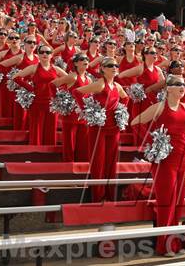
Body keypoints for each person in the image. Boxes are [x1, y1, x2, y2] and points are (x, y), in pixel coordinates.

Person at [131, 74, 185, 257]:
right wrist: (155, 140)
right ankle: (163, 245)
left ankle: (173, 243)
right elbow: (135, 123)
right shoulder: (159, 107)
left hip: (184, 161)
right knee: (166, 203)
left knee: (177, 204)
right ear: (168, 88)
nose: (182, 87)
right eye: (177, 84)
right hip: (165, 162)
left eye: (183, 84)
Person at [73, 57, 129, 202]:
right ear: (102, 69)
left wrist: (120, 112)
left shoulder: (117, 86)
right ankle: (98, 197)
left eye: (116, 65)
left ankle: (110, 196)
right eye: (110, 65)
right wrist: (87, 111)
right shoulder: (99, 84)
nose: (114, 67)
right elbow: (77, 92)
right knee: (98, 163)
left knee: (111, 164)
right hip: (98, 129)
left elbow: (126, 98)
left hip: (114, 129)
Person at [13, 45, 67, 144]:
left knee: (50, 129)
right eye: (42, 52)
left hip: (52, 104)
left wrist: (59, 90)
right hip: (37, 103)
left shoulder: (56, 69)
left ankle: (49, 154)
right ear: (38, 54)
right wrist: (30, 88)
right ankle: (35, 154)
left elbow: (70, 80)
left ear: (51, 55)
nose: (44, 54)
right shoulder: (33, 68)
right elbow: (16, 77)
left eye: (47, 52)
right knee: (36, 130)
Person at [118, 46, 165, 145]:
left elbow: (162, 84)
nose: (155, 55)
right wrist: (134, 89)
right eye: (152, 53)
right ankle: (139, 153)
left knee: (152, 125)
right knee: (141, 125)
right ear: (145, 55)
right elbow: (121, 75)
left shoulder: (158, 69)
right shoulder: (140, 68)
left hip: (153, 102)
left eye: (156, 53)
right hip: (141, 102)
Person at [51, 53, 92, 162]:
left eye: (87, 59)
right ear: (76, 63)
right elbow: (53, 84)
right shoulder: (73, 76)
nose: (85, 60)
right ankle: (68, 165)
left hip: (83, 116)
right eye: (82, 59)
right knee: (69, 143)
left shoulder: (89, 79)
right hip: (70, 115)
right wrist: (59, 101)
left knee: (83, 143)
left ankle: (82, 164)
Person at [0, 35, 39, 130]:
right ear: (24, 44)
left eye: (34, 42)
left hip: (34, 91)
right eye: (29, 42)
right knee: (21, 115)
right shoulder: (20, 57)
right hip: (22, 91)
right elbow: (1, 65)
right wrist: (11, 77)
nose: (32, 44)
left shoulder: (38, 57)